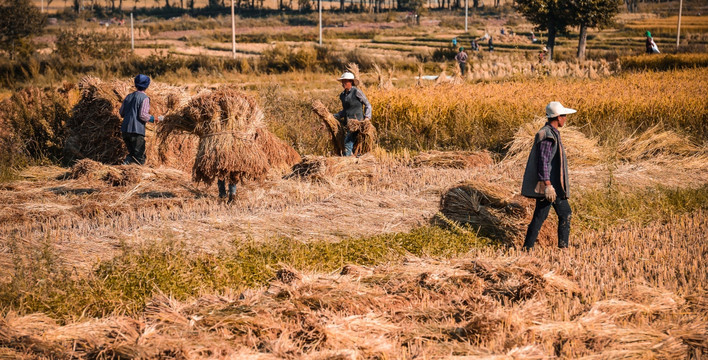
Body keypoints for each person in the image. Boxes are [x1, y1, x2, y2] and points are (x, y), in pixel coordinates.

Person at [521, 101, 576, 249]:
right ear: (558, 117)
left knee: (563, 213)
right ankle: (527, 248)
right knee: (542, 216)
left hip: (554, 186)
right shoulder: (547, 135)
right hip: (550, 186)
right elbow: (543, 161)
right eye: (564, 115)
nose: (565, 118)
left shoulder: (552, 133)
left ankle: (561, 249)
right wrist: (547, 185)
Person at [119, 74, 160, 165]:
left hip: (125, 130)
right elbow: (142, 115)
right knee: (140, 158)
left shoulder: (128, 97)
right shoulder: (144, 98)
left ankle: (124, 167)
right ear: (147, 85)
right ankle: (138, 176)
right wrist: (154, 119)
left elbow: (121, 113)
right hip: (136, 131)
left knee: (132, 154)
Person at [333, 72, 372, 157]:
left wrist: (367, 118)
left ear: (350, 82)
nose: (343, 84)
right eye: (342, 82)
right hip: (347, 123)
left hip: (357, 123)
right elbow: (345, 110)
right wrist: (337, 115)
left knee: (348, 141)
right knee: (354, 145)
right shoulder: (342, 95)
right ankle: (356, 160)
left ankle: (346, 161)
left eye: (345, 81)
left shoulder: (356, 92)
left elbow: (368, 104)